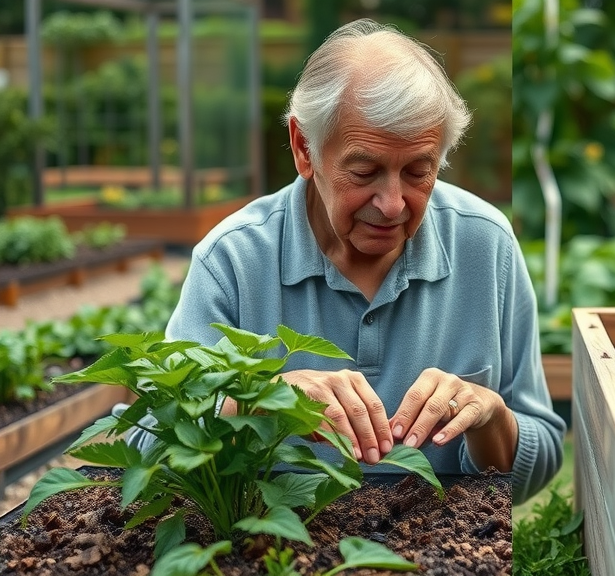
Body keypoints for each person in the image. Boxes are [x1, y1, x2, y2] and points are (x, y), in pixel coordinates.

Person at [146, 19, 565, 504]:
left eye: (417, 171)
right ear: (304, 148)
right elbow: (155, 441)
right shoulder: (234, 259)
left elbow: (544, 453)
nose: (392, 203)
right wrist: (265, 398)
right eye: (364, 171)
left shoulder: (485, 244)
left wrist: (490, 416)